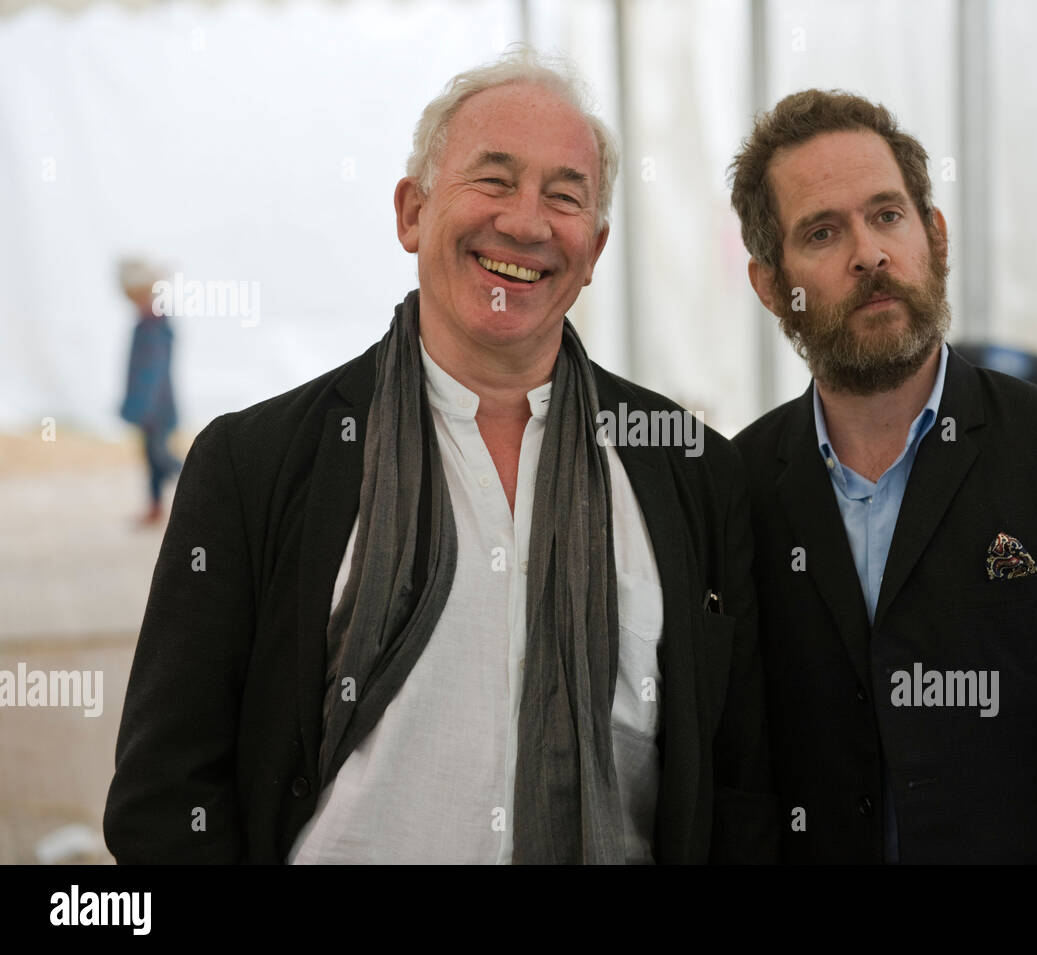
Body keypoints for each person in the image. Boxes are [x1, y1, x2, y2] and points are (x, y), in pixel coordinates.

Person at [104, 48, 776, 865]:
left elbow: (740, 789)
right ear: (412, 212)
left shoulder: (689, 470)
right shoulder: (256, 465)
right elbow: (166, 798)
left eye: (563, 196)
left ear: (593, 251)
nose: (526, 222)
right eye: (493, 180)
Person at [728, 90, 1037, 863]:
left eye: (888, 215)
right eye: (822, 231)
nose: (869, 255)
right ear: (772, 285)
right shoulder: (737, 486)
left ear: (934, 236)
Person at [118, 258, 181, 526]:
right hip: (150, 406)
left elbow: (152, 372)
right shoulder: (148, 323)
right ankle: (155, 506)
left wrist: (144, 406)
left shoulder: (155, 326)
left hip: (156, 407)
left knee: (162, 458)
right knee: (152, 460)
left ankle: (203, 477)